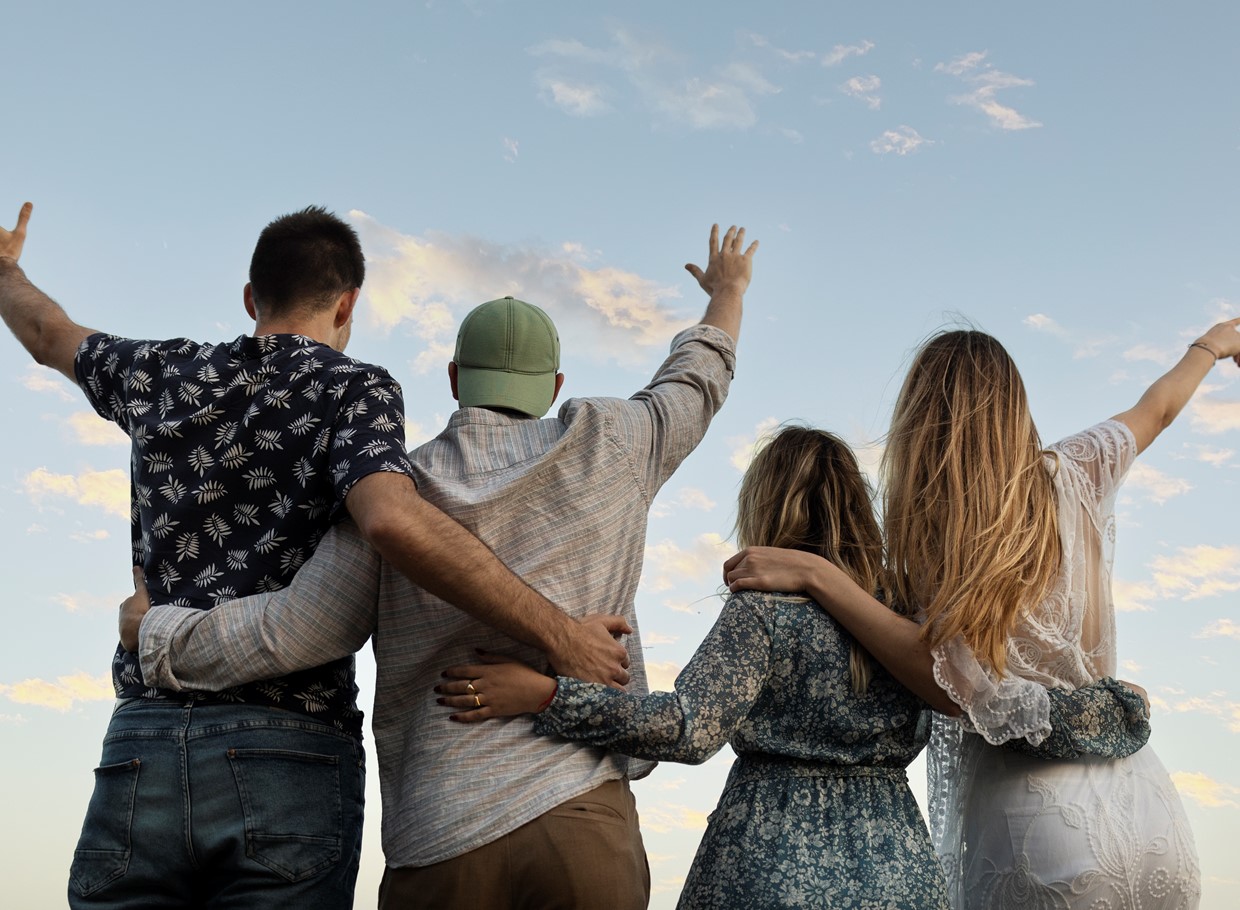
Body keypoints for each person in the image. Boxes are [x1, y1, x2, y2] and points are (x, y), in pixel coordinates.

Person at [0, 201, 629, 909]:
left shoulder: (157, 372)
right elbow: (391, 520)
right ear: (349, 301)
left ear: (251, 298)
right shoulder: (353, 391)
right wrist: (556, 632)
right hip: (287, 744)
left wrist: (5, 270)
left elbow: (48, 333)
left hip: (143, 737)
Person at [123, 224, 757, 909]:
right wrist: (728, 290)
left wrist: (158, 634)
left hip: (442, 833)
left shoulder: (395, 487)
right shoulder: (621, 439)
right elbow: (698, 375)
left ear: (456, 378)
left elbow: (300, 629)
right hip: (581, 816)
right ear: (556, 384)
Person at [724, 322, 1240, 909]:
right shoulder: (1079, 470)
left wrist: (820, 576)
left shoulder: (935, 536)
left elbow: (951, 684)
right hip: (1147, 808)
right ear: (1014, 406)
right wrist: (1213, 345)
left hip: (1034, 828)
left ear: (921, 423)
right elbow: (1161, 407)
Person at [438, 425, 951, 909]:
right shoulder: (905, 617)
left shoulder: (765, 610)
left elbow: (688, 728)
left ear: (765, 505)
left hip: (769, 854)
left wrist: (548, 696)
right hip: (899, 858)